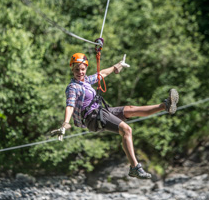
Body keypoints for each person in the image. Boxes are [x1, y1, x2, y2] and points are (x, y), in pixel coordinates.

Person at [51, 52, 179, 179]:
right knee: (126, 129)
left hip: (100, 111)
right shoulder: (72, 87)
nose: (80, 72)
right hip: (93, 117)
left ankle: (165, 106)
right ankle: (134, 167)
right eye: (77, 70)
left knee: (130, 109)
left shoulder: (85, 82)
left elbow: (102, 74)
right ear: (72, 70)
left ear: (86, 69)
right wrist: (65, 123)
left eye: (83, 69)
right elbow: (70, 105)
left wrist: (116, 66)